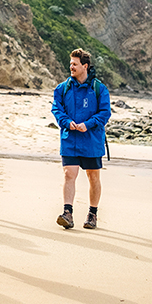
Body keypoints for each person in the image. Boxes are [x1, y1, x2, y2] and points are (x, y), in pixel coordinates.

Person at [51, 48, 111, 230]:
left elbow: (105, 112)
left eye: (74, 64)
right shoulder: (63, 88)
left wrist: (89, 124)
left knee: (93, 177)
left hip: (92, 140)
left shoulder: (99, 88)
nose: (71, 67)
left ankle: (92, 214)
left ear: (85, 66)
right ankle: (67, 213)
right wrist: (66, 122)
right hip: (70, 138)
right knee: (69, 174)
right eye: (70, 63)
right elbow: (56, 109)